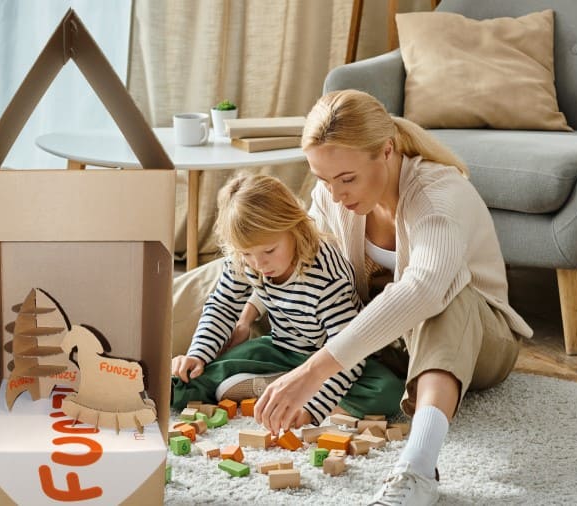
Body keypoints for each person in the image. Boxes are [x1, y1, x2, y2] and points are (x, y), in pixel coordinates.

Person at [245, 90, 534, 505]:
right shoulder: (332, 194)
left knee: (447, 298)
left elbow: (424, 290)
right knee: (260, 260)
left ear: (385, 150)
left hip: (478, 340)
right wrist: (248, 306)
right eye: (324, 179)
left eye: (346, 179)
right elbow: (303, 257)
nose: (335, 194)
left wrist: (312, 373)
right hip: (388, 343)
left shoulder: (437, 198)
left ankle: (417, 469)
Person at [170, 173, 404, 426]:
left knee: (388, 392)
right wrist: (197, 354)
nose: (259, 264)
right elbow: (223, 306)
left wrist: (313, 410)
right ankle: (279, 382)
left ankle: (297, 390)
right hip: (280, 349)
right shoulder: (245, 260)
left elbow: (347, 351)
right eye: (247, 253)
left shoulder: (326, 276)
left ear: (295, 229)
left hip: (332, 358)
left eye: (269, 250)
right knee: (183, 382)